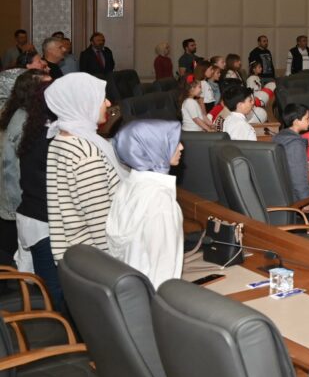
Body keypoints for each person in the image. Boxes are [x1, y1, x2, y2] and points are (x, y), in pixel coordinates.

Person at [44, 74, 122, 269]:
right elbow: (100, 223)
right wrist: (117, 267)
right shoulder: (86, 153)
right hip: (97, 262)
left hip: (75, 255)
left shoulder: (59, 139)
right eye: (101, 98)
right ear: (84, 103)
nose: (108, 103)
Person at [107, 120, 184, 287]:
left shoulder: (127, 185)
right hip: (152, 295)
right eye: (173, 142)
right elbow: (163, 269)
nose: (181, 147)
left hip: (130, 288)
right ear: (152, 148)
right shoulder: (159, 198)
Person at [1, 71, 50, 264]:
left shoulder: (20, 113)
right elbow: (16, 168)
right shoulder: (24, 122)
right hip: (17, 201)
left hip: (14, 201)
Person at [273, 104, 309, 206]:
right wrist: (305, 201)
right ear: (296, 121)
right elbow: (298, 175)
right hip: (295, 200)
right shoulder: (295, 143)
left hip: (281, 195)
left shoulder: (279, 136)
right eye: (307, 118)